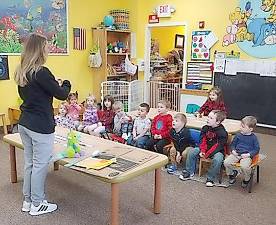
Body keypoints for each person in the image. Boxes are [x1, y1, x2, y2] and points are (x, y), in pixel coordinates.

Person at [14, 33, 71, 215]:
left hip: (25, 123)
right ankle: (38, 204)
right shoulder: (42, 72)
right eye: (46, 46)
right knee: (39, 164)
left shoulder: (23, 71)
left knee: (30, 163)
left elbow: (34, 94)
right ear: (39, 49)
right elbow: (62, 94)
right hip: (40, 125)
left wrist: (54, 85)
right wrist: (67, 84)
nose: (48, 49)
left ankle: (29, 201)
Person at [180, 110, 228, 187]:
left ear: (218, 122)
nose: (208, 119)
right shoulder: (205, 128)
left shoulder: (222, 132)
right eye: (208, 117)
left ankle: (210, 178)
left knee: (218, 159)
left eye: (211, 118)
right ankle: (189, 172)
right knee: (192, 151)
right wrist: (202, 150)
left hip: (217, 150)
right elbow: (203, 140)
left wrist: (207, 154)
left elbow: (218, 145)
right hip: (205, 148)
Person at [224, 116, 260, 187]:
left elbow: (256, 149)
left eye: (243, 127)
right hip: (236, 154)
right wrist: (233, 150)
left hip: (246, 156)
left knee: (244, 166)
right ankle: (232, 173)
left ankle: (247, 178)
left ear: (250, 129)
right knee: (226, 162)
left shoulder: (254, 138)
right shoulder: (238, 135)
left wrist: (248, 155)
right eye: (241, 125)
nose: (240, 128)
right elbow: (233, 144)